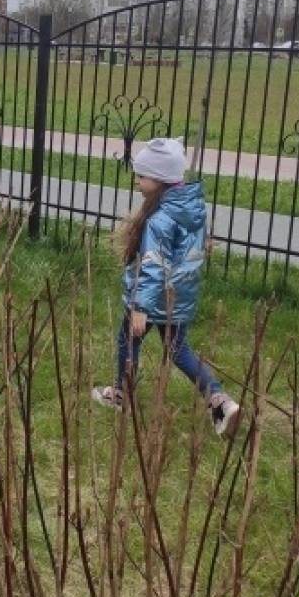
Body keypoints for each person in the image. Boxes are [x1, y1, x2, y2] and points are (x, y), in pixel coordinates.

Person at [91, 137, 240, 436]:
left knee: (127, 340)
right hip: (180, 296)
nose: (137, 179)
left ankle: (120, 394)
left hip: (154, 298)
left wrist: (139, 307)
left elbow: (152, 265)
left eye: (142, 175)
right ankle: (220, 400)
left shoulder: (159, 219)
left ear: (159, 179)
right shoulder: (192, 207)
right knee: (179, 350)